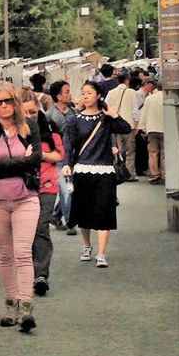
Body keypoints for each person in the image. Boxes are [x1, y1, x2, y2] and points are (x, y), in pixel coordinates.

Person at [0, 82, 42, 332]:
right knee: (5, 254)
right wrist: (18, 161)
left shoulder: (29, 127)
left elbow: (35, 160)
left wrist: (0, 164)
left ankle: (26, 307)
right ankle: (10, 305)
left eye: (8, 101)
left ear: (16, 103)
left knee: (23, 252)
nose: (4, 106)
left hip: (26, 198)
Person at [63, 81, 132, 268]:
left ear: (98, 96)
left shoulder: (107, 119)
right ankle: (87, 245)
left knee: (104, 210)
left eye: (89, 93)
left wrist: (114, 115)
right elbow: (69, 145)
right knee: (83, 210)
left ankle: (101, 253)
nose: (85, 96)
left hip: (105, 170)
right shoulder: (74, 120)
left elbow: (126, 128)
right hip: (82, 169)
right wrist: (67, 164)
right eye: (83, 93)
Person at [21, 90, 64, 297]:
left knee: (41, 227)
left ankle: (41, 274)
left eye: (33, 111)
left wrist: (40, 155)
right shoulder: (13, 131)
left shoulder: (48, 127)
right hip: (21, 187)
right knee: (24, 231)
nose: (30, 115)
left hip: (47, 185)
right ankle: (26, 271)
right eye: (26, 112)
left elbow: (59, 154)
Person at [45, 79, 77, 235]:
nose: (70, 94)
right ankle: (70, 223)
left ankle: (56, 215)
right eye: (67, 91)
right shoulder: (49, 115)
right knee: (65, 190)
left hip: (72, 155)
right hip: (58, 157)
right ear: (58, 96)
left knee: (72, 189)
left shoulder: (74, 112)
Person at [106, 70, 140, 181]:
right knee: (130, 151)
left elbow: (105, 108)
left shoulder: (111, 92)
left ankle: (117, 172)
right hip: (128, 125)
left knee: (117, 151)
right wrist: (136, 125)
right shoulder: (132, 92)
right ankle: (130, 173)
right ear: (127, 80)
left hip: (114, 126)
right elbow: (135, 110)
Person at [138, 80, 165, 184]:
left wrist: (142, 127)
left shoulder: (149, 98)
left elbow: (144, 114)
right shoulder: (169, 98)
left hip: (152, 129)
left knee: (153, 153)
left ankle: (154, 174)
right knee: (164, 153)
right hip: (165, 129)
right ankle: (164, 173)